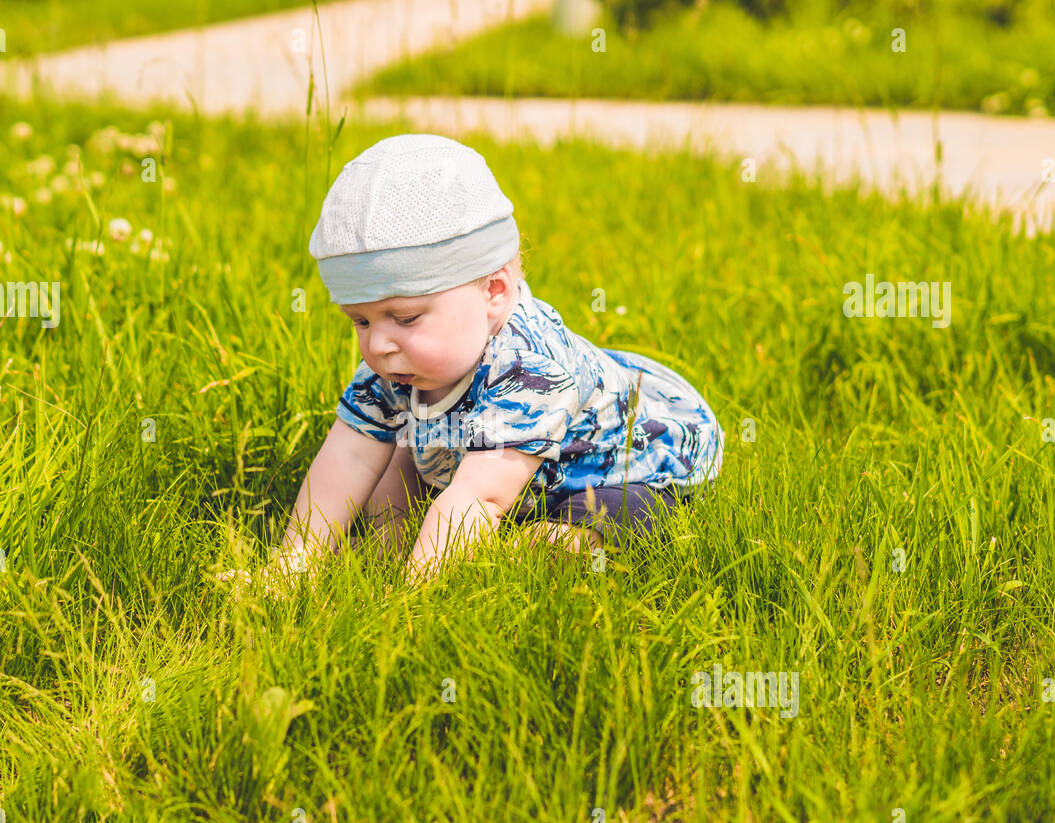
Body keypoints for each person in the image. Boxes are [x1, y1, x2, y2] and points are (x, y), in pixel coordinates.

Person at [224, 133, 723, 588]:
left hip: (619, 465)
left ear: (495, 292)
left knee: (609, 521)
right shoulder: (398, 360)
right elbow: (349, 454)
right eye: (361, 322)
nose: (379, 345)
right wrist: (294, 562)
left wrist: (411, 602)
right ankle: (385, 551)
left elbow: (479, 496)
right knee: (386, 469)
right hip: (485, 455)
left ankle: (505, 549)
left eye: (404, 317)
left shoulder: (531, 368)